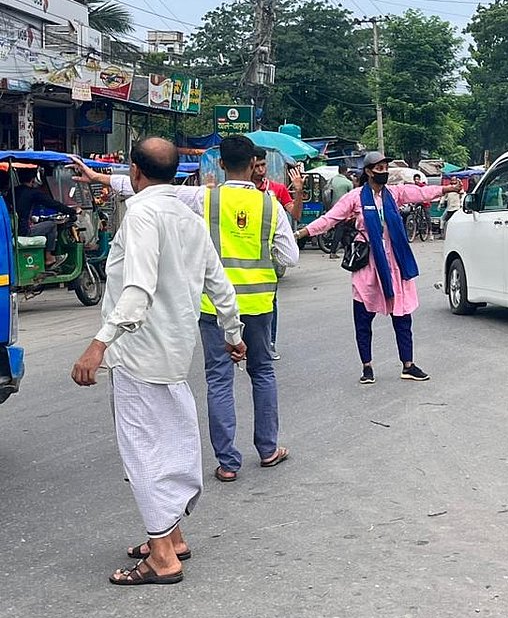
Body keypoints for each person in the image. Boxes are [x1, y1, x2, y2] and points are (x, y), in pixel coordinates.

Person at [69, 138, 245, 586]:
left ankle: (163, 557)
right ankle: (172, 535)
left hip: (137, 355)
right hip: (173, 353)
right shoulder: (187, 217)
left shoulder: (143, 215)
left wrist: (99, 343)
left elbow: (138, 288)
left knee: (143, 451)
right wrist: (233, 334)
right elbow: (219, 284)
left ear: (136, 171)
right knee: (167, 442)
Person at [74, 136, 300, 483]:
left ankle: (228, 462)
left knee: (219, 380)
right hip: (258, 304)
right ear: (256, 165)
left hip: (213, 307)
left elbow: (155, 189)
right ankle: (268, 449)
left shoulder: (203, 197)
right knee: (263, 373)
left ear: (220, 164)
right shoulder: (270, 205)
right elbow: (290, 257)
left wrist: (99, 177)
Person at [296, 151, 460, 385]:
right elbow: (330, 219)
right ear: (369, 171)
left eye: (386, 168)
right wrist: (302, 233)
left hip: (394, 263)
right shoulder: (354, 198)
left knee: (402, 316)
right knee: (363, 317)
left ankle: (408, 365)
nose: (384, 172)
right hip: (368, 265)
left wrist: (447, 189)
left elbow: (420, 193)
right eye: (380, 168)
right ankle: (367, 367)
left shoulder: (394, 194)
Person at [250, 147, 303, 359]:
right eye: (256, 166)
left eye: (263, 165)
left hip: (267, 256)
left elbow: (296, 213)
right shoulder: (239, 191)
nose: (261, 170)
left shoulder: (277, 190)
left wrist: (298, 192)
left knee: (269, 300)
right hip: (242, 252)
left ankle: (269, 342)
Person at [14, 166, 76, 267]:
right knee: (52, 225)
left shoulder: (14, 191)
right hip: (24, 231)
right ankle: (49, 257)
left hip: (15, 229)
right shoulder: (33, 193)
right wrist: (72, 211)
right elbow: (52, 204)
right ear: (33, 179)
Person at [324, 163, 355, 258]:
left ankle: (347, 251)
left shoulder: (331, 180)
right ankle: (333, 252)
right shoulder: (348, 183)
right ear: (345, 171)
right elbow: (352, 198)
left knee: (344, 230)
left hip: (332, 208)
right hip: (343, 211)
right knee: (340, 230)